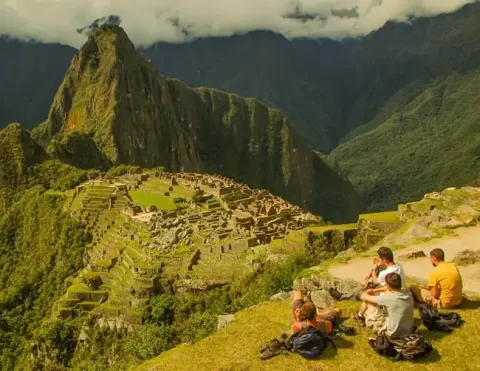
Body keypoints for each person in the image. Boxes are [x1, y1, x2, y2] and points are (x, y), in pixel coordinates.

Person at [354, 247, 406, 324]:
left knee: (366, 298)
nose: (378, 259)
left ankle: (359, 316)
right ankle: (360, 314)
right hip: (400, 293)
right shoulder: (399, 265)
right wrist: (378, 265)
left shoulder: (385, 273)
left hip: (389, 298)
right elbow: (387, 287)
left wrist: (372, 270)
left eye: (379, 258)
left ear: (384, 260)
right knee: (372, 292)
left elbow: (375, 282)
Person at [360, 272, 414, 339]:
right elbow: (388, 289)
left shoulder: (388, 298)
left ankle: (359, 316)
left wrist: (368, 291)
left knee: (367, 302)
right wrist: (374, 290)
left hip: (391, 333)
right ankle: (360, 316)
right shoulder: (408, 293)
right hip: (408, 330)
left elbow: (363, 296)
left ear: (388, 285)